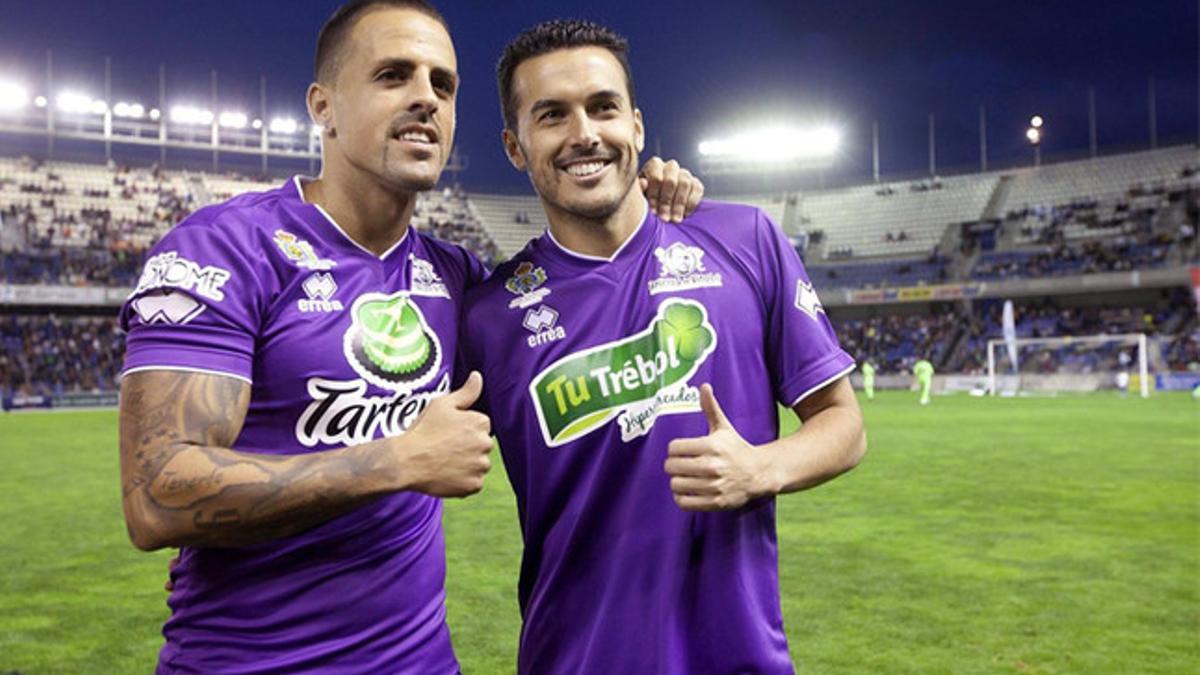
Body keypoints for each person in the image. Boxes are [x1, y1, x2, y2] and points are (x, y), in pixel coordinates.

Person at [117, 2, 702, 672]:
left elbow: (585, 317)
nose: (425, 97)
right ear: (323, 106)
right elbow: (157, 494)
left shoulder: (457, 281)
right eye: (393, 75)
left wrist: (647, 198)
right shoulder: (225, 248)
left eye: (443, 85)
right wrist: (395, 460)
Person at [461, 19, 866, 673]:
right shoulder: (487, 317)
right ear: (515, 145)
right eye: (552, 115)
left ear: (638, 126)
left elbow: (844, 423)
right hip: (574, 659)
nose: (584, 133)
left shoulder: (747, 241)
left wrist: (759, 469)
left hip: (738, 658)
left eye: (602, 107)